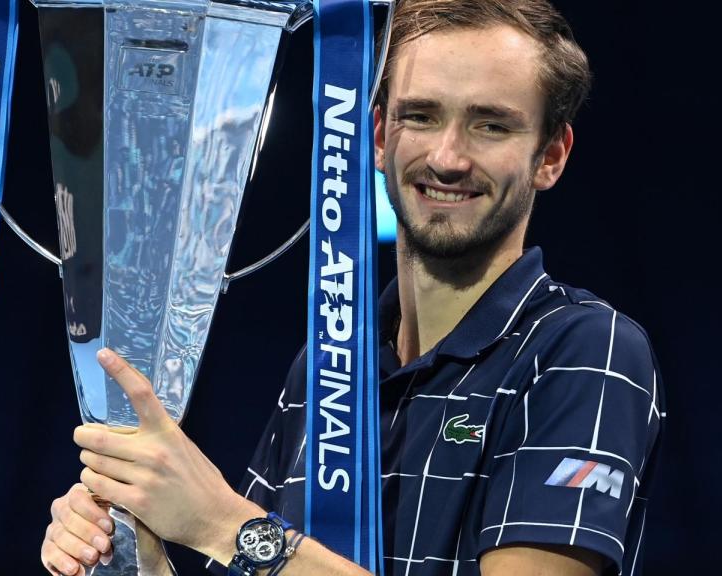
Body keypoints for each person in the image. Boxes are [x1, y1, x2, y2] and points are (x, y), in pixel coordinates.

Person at [40, 0, 664, 574]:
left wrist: (219, 522)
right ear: (378, 136)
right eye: (421, 116)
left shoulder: (586, 349)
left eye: (490, 126)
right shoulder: (328, 369)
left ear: (551, 155)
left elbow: (246, 542)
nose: (447, 157)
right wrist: (138, 552)